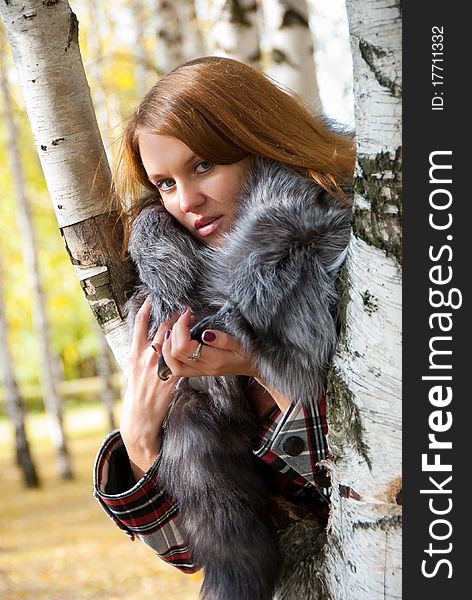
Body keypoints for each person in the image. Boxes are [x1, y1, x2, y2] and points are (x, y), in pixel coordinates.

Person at [93, 56, 354, 598]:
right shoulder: (174, 307)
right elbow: (193, 554)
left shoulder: (355, 262)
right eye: (164, 183)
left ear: (261, 144)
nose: (186, 202)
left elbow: (385, 489)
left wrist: (266, 366)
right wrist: (142, 441)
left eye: (205, 165)